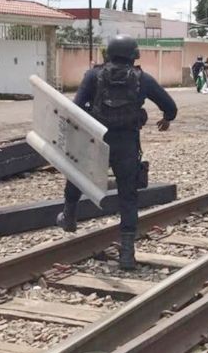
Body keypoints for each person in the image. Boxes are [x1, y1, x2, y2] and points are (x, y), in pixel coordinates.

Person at [56, 34, 178, 270]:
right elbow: (170, 106)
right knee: (128, 196)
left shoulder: (93, 75)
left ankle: (69, 217)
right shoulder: (143, 79)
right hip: (126, 144)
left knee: (76, 173)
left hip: (95, 140)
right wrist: (167, 119)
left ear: (108, 53)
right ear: (134, 56)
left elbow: (76, 107)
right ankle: (127, 254)